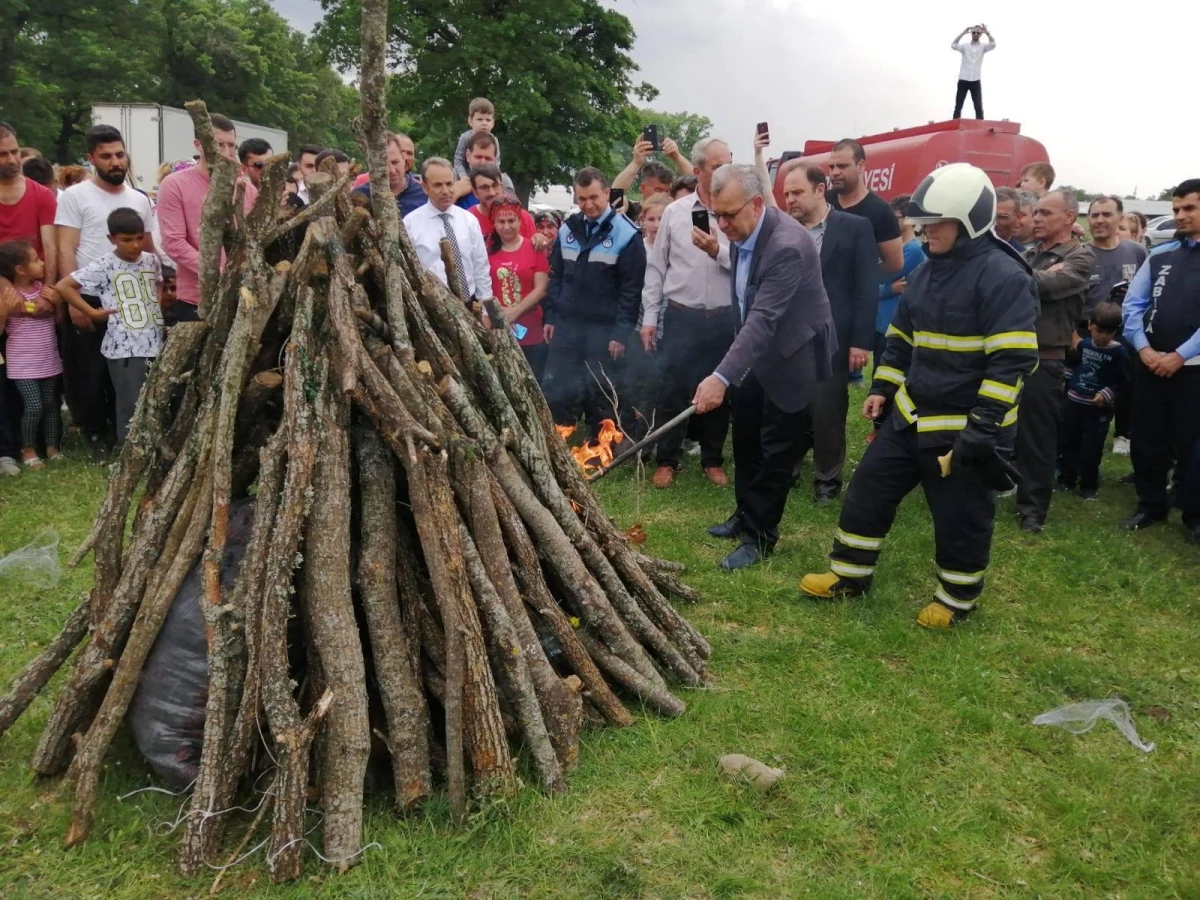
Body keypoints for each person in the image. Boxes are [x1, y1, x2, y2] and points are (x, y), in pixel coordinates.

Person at [800, 163, 1039, 628]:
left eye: (937, 225)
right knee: (868, 491)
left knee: (961, 516)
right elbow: (901, 337)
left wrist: (982, 428)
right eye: (924, 225)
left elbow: (1012, 362)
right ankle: (849, 575)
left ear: (970, 222)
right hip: (911, 415)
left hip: (964, 427)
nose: (926, 233)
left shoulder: (1006, 278)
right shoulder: (930, 271)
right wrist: (884, 386)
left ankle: (956, 599)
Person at [692, 164, 836, 571]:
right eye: (716, 214)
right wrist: (734, 367)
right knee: (747, 439)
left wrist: (720, 376)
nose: (721, 225)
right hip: (757, 354)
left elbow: (765, 318)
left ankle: (761, 536)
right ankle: (744, 514)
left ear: (756, 204)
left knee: (776, 451)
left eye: (729, 215)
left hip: (792, 355)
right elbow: (745, 301)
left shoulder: (787, 245)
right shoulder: (742, 229)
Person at [639, 138, 735, 489]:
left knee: (719, 390)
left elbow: (746, 264)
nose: (724, 170)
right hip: (682, 315)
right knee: (674, 389)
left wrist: (717, 251)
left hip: (724, 317)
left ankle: (712, 459)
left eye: (729, 162)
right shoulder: (676, 214)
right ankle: (668, 459)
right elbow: (657, 268)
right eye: (716, 165)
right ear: (697, 171)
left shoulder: (736, 212)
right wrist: (650, 317)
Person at [56, 123, 156, 454]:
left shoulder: (139, 200)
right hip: (89, 295)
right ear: (91, 159)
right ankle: (94, 433)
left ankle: (123, 433)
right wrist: (74, 305)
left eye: (119, 154)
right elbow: (66, 248)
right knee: (90, 370)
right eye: (106, 156)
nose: (115, 162)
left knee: (128, 371)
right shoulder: (75, 196)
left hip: (131, 298)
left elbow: (150, 248)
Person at [782, 163, 878, 503]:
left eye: (797, 192)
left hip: (833, 338)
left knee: (827, 412)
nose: (789, 200)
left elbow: (867, 287)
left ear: (820, 190)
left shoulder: (855, 228)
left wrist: (861, 341)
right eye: (786, 194)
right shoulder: (783, 230)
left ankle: (827, 482)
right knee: (789, 408)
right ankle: (787, 470)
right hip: (788, 339)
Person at [1120, 178, 1200, 541]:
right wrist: (1144, 348)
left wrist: (1180, 356)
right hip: (1151, 364)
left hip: (1193, 370)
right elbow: (1133, 306)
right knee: (1148, 437)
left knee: (1192, 443)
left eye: (1189, 209)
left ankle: (1193, 512)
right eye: (1176, 210)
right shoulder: (1161, 254)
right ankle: (1150, 504)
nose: (1180, 216)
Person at [542, 167, 645, 437]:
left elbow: (631, 291)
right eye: (582, 198)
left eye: (594, 197)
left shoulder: (627, 235)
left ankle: (599, 440)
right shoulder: (568, 229)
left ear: (607, 193)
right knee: (558, 382)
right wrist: (550, 316)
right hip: (566, 324)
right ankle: (559, 432)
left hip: (604, 329)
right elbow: (556, 277)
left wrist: (620, 333)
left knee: (599, 387)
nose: (588, 204)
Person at [1016, 190, 1095, 532]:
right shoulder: (1030, 252)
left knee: (1037, 437)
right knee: (997, 427)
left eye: (1045, 213)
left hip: (1044, 357)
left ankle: (1033, 509)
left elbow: (1044, 286)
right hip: (1010, 352)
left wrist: (1025, 275)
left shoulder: (1080, 256)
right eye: (1035, 213)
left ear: (1069, 218)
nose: (1036, 219)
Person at [56, 207, 164, 446]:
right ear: (111, 239)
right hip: (125, 347)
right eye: (127, 240)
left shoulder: (151, 260)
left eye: (139, 238)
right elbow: (64, 286)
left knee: (155, 399)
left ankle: (152, 449)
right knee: (130, 403)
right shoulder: (105, 264)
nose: (135, 245)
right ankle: (128, 452)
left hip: (154, 341)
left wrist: (155, 306)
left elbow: (158, 282)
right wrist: (92, 312)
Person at [157, 113, 258, 324]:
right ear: (199, 145)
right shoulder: (174, 185)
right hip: (196, 299)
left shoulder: (245, 188)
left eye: (232, 145)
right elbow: (173, 243)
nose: (227, 151)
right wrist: (218, 273)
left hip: (241, 297)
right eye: (219, 144)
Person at [0, 121, 59, 475]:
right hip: (4, 298)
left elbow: (49, 248)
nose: (11, 159)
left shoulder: (41, 195)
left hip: (36, 293)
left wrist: (47, 294)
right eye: (2, 154)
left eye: (13, 151)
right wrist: (10, 300)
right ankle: (8, 449)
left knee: (43, 383)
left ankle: (41, 444)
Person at [1057, 301, 1130, 500]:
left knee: (1092, 448)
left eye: (1109, 332)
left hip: (1098, 410)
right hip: (1074, 403)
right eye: (1099, 331)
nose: (1103, 336)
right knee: (1069, 442)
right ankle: (1066, 479)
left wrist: (1106, 394)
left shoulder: (1118, 353)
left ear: (1117, 331)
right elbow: (1072, 364)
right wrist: (1067, 382)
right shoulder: (1084, 344)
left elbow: (1123, 382)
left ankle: (1088, 486)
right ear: (1090, 325)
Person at [0, 240, 63, 467]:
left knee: (51, 404)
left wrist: (57, 303)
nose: (43, 262)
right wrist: (25, 308)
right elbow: (25, 311)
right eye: (36, 260)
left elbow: (59, 320)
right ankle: (27, 449)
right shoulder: (10, 295)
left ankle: (52, 447)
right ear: (20, 269)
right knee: (34, 405)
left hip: (48, 357)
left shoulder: (44, 291)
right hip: (22, 363)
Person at [403, 157, 492, 302]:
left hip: (470, 303)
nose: (445, 191)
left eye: (449, 184)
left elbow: (481, 268)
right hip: (434, 306)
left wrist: (486, 309)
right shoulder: (410, 224)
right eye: (438, 185)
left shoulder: (469, 221)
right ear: (424, 187)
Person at [487, 194, 550, 379]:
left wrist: (515, 311)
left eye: (511, 220)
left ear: (520, 220)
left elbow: (541, 288)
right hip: (499, 330)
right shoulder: (487, 250)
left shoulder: (535, 248)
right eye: (501, 221)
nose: (506, 226)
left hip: (531, 331)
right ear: (494, 223)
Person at [820, 139, 904, 274]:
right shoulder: (822, 202)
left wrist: (860, 280)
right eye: (831, 167)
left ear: (860, 166)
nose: (834, 172)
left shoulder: (880, 211)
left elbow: (894, 263)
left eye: (842, 166)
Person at [874, 196, 925, 380]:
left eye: (896, 217)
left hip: (892, 322)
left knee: (883, 372)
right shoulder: (894, 247)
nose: (892, 221)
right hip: (881, 320)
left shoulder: (913, 251)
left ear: (909, 219)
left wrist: (884, 289)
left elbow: (877, 277)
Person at [1087, 196, 1147, 317]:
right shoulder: (1078, 255)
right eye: (1094, 215)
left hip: (1125, 330)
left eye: (1107, 215)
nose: (1099, 220)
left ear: (1120, 219)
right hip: (1086, 331)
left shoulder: (1137, 251)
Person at [351, 132, 426, 217]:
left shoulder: (425, 194)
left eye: (395, 162)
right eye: (383, 165)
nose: (392, 170)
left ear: (403, 158)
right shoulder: (360, 195)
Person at [465, 164, 539, 244]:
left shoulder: (522, 216)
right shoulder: (467, 220)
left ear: (502, 187)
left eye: (495, 185)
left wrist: (539, 240)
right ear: (475, 192)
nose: (492, 193)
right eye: (484, 187)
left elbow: (534, 251)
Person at [612, 137, 690, 197]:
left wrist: (677, 157)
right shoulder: (632, 210)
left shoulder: (674, 210)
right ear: (643, 188)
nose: (664, 196)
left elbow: (697, 184)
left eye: (667, 191)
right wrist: (636, 163)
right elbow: (615, 195)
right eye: (659, 190)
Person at [454, 133, 513, 208]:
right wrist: (455, 194)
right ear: (468, 155)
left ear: (495, 160)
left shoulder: (503, 181)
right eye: (478, 157)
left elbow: (513, 213)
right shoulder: (453, 179)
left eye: (488, 158)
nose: (483, 162)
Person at [950, 24, 995, 119]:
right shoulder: (965, 47)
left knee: (978, 107)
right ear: (971, 34)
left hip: (975, 80)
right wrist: (963, 33)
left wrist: (987, 33)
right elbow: (953, 45)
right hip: (963, 79)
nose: (975, 34)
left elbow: (993, 44)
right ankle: (954, 126)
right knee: (958, 105)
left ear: (980, 34)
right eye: (974, 32)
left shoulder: (983, 47)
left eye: (978, 33)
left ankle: (981, 128)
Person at [453, 97, 501, 180]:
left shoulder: (494, 140)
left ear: (493, 123)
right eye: (480, 119)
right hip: (466, 175)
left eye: (488, 120)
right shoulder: (465, 137)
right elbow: (458, 161)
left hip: (487, 174)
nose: (484, 123)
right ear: (470, 121)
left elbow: (496, 163)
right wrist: (463, 176)